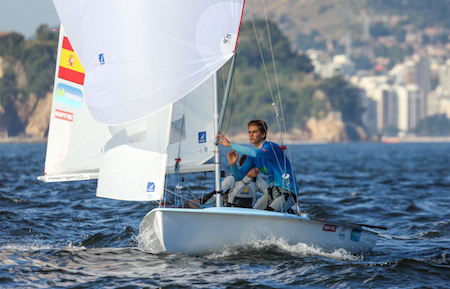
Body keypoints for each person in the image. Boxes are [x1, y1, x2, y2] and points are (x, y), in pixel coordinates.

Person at [217, 119, 299, 212]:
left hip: (288, 192)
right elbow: (238, 176)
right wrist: (233, 165)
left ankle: (288, 213)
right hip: (272, 192)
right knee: (254, 213)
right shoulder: (252, 158)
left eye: (254, 132)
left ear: (263, 134)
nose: (251, 135)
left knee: (268, 213)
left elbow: (256, 153)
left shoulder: (271, 147)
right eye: (249, 132)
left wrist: (230, 145)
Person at [196, 155, 269, 208]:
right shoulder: (231, 179)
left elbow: (271, 194)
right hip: (229, 214)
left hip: (247, 215)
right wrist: (199, 202)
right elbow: (216, 195)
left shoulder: (258, 181)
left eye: (257, 166)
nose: (257, 169)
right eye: (254, 167)